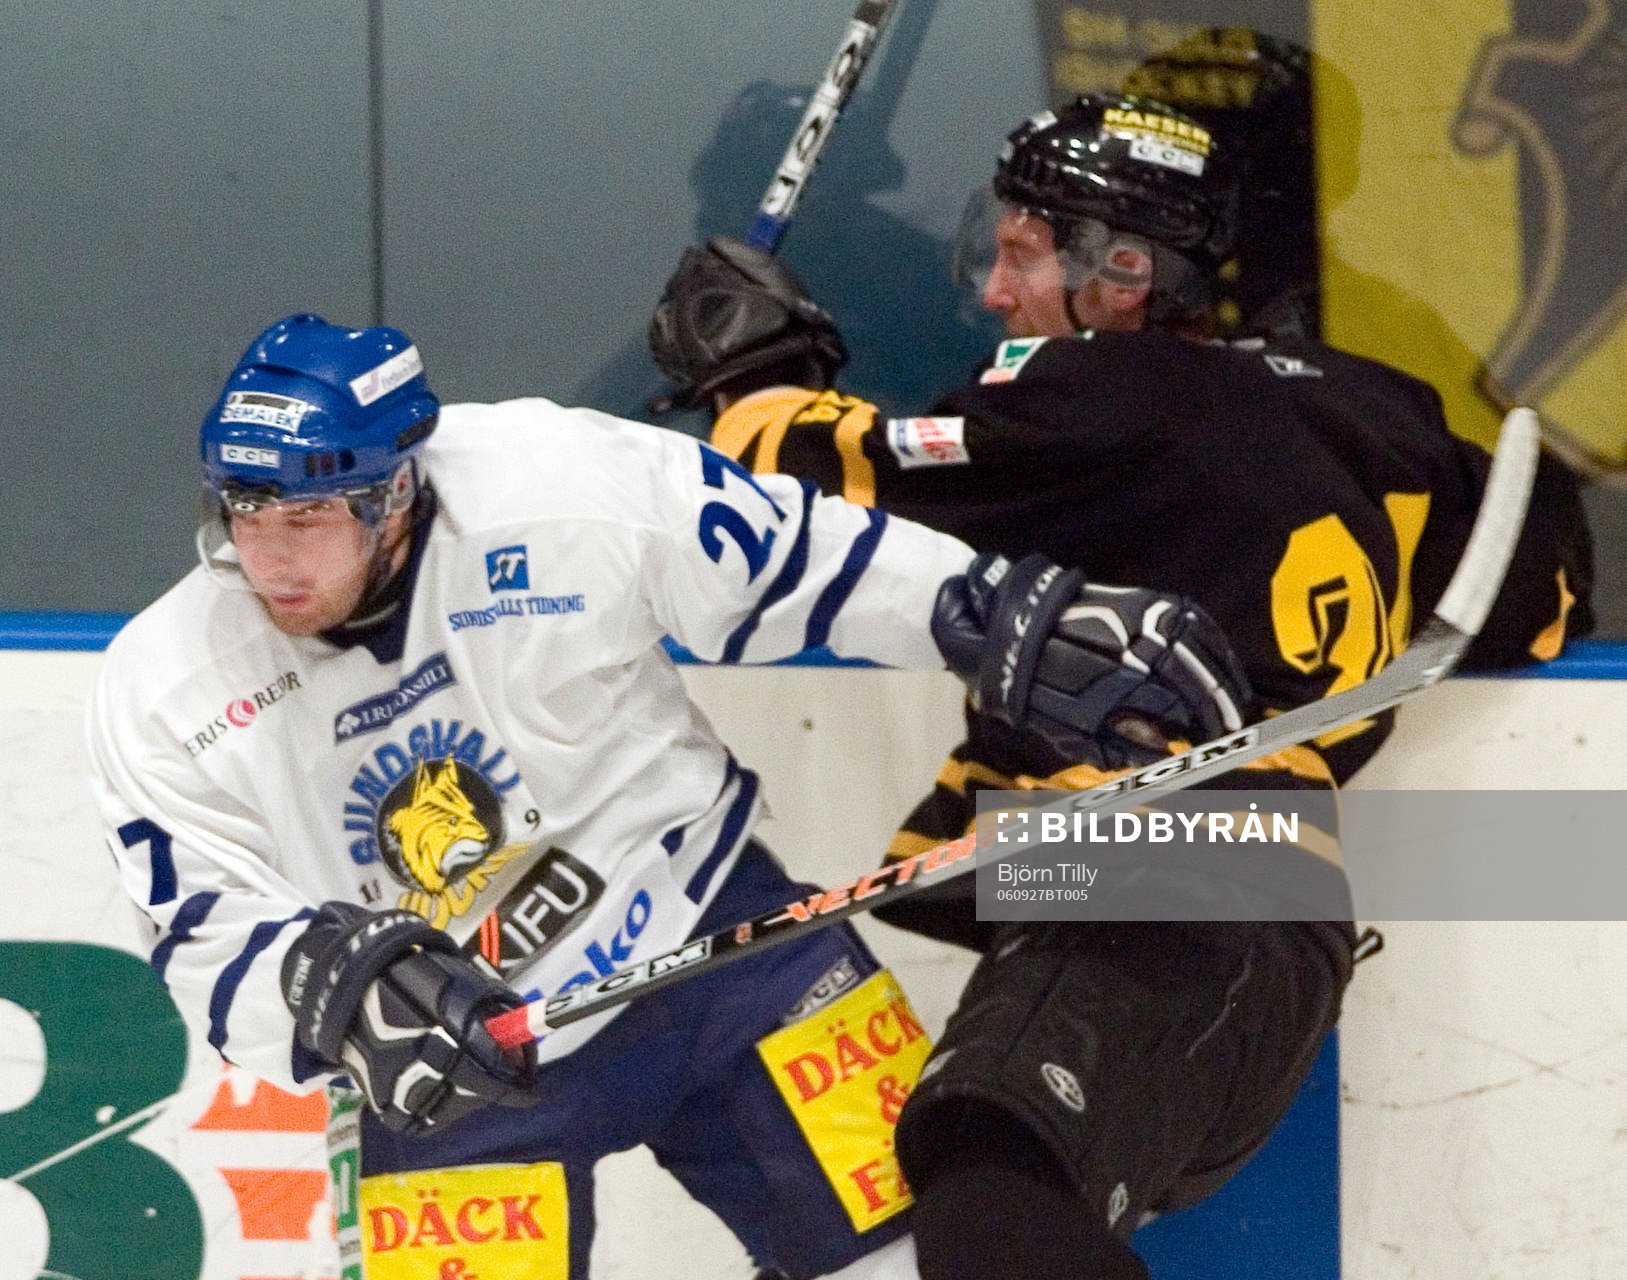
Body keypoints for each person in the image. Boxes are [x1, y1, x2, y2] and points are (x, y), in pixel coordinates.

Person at [87, 313, 1251, 1279]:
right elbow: (200, 926)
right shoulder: (165, 682)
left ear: (393, 493)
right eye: (245, 513)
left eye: (307, 517)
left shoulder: (556, 481)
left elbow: (791, 554)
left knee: (915, 1256)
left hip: (720, 948)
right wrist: (327, 986)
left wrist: (992, 614)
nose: (270, 558)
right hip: (452, 1058)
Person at [648, 92, 1593, 1279]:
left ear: (1125, 273)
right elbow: (1542, 596)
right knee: (976, 1191)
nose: (995, 292)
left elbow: (820, 494)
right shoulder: (1369, 408)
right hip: (1240, 900)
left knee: (987, 1183)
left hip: (1169, 872)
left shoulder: (1100, 394)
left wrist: (751, 371)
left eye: (1021, 254)